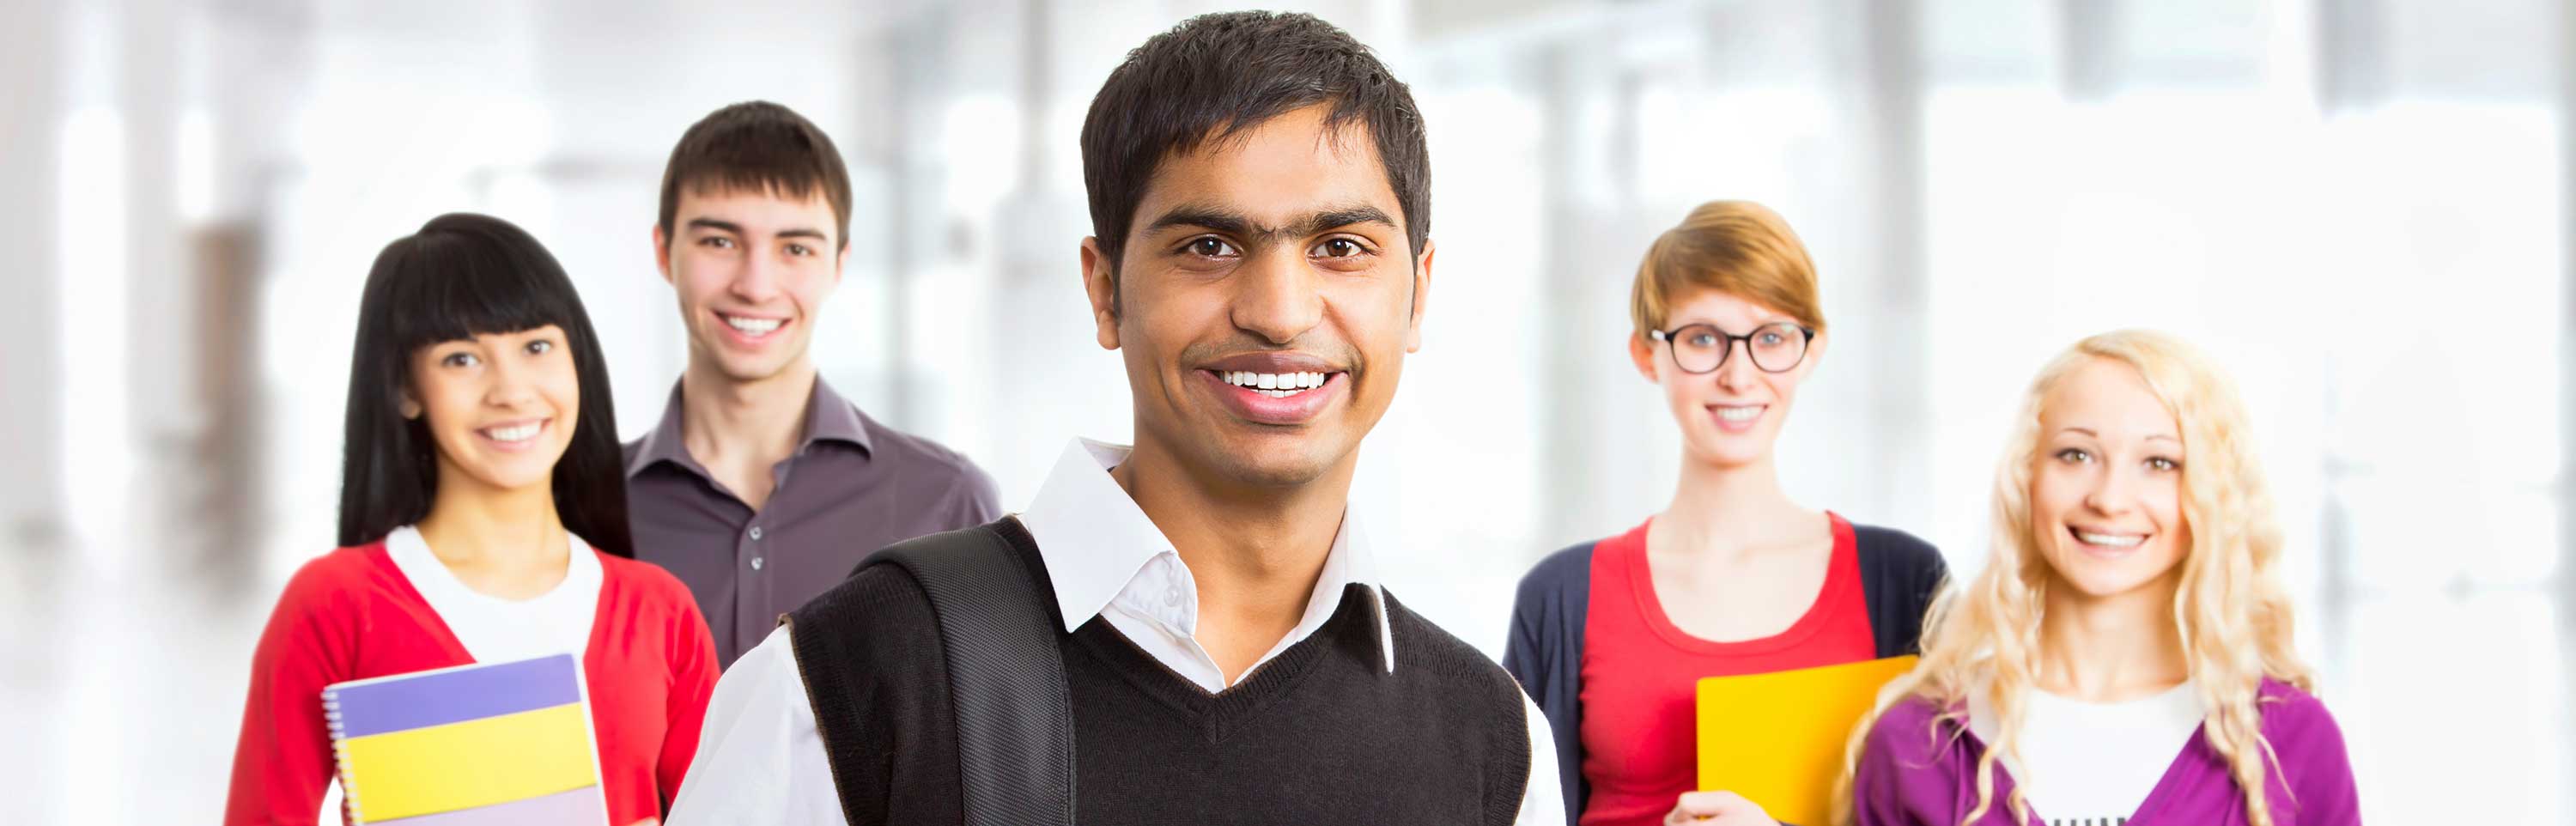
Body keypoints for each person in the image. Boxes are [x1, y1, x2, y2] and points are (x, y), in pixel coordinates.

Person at [669, 11, 1559, 824]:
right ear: (1104, 290)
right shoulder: (849, 678)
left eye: (1340, 247)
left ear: (1418, 295)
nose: (1281, 311)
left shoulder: (1495, 742)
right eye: (1209, 246)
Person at [223, 214, 718, 825]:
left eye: (536, 347)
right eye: (462, 359)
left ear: (577, 364)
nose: (511, 390)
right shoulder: (333, 605)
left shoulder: (660, 613)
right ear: (406, 388)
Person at [1504, 201, 1947, 826]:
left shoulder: (1904, 582)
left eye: (1770, 338)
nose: (1739, 376)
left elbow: (1952, 808)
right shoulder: (1561, 597)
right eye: (1703, 340)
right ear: (1646, 353)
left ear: (1810, 351)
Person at [1840, 330, 2360, 826]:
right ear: (2027, 479)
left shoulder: (2291, 739)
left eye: (2160, 462)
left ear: (2211, 496)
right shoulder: (1918, 744)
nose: (2109, 499)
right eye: (2076, 455)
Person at [626, 100, 1000, 670]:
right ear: (663, 251)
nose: (756, 286)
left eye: (795, 248)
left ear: (838, 264)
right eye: (719, 242)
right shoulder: (576, 508)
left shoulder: (946, 503)